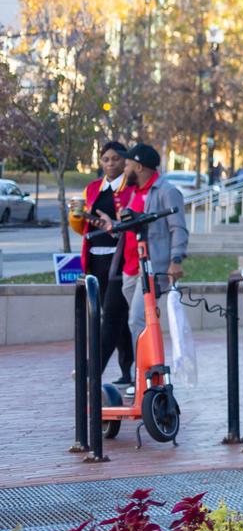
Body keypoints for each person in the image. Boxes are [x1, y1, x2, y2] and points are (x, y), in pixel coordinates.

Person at [117, 144, 188, 353]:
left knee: (137, 320)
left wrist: (175, 261)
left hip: (152, 268)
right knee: (143, 322)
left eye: (128, 164)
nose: (124, 168)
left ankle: (145, 373)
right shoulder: (135, 192)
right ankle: (145, 371)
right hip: (131, 268)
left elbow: (179, 228)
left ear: (139, 167)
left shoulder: (167, 192)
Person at [80, 141, 135, 387]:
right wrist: (79, 217)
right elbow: (82, 225)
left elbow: (129, 225)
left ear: (125, 161)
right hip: (95, 258)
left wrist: (111, 225)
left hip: (120, 259)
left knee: (112, 315)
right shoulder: (92, 188)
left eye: (115, 159)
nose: (110, 163)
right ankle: (126, 370)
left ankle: (93, 370)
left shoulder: (129, 189)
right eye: (106, 159)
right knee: (115, 316)